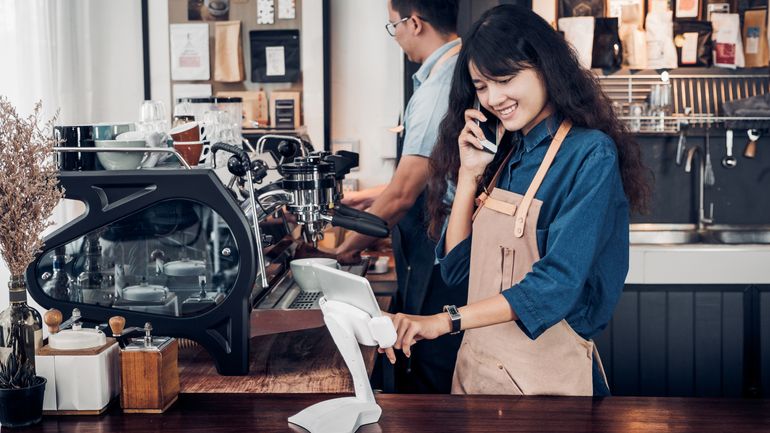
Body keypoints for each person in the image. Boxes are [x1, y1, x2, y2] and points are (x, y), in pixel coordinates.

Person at [381, 5, 650, 396]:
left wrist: (445, 321)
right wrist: (470, 173)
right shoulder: (508, 152)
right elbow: (457, 268)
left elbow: (556, 285)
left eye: (504, 79)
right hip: (477, 373)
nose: (493, 98)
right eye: (481, 86)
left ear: (544, 66)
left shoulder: (590, 155)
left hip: (545, 385)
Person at [335, 0, 466, 393]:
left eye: (394, 27)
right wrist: (367, 199)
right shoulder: (451, 72)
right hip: (445, 241)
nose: (395, 38)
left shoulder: (439, 86)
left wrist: (344, 248)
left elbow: (404, 193)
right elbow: (435, 173)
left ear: (415, 23)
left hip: (443, 249)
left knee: (429, 366)